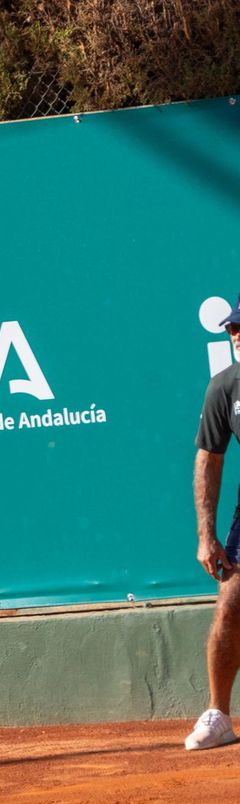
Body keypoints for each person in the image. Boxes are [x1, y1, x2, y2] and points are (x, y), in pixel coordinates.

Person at [189, 294, 240, 750]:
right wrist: (207, 535)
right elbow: (209, 459)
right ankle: (219, 715)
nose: (238, 336)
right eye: (234, 328)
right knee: (230, 604)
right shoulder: (225, 387)